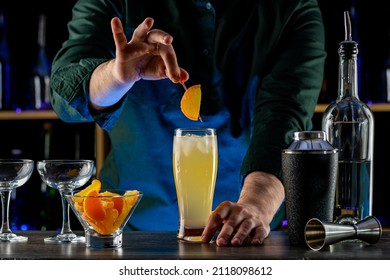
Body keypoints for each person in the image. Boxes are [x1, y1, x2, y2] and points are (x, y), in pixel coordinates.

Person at [50, 0, 326, 246]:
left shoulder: (294, 7)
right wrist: (116, 75)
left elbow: (284, 115)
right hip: (130, 235)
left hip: (244, 238)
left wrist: (255, 206)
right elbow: (66, 93)